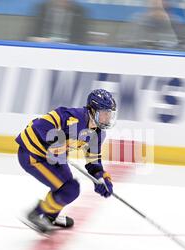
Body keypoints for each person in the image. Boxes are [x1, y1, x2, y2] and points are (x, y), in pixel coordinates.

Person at [16, 89, 117, 236]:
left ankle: (50, 217)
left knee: (71, 189)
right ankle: (37, 214)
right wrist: (54, 140)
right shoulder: (72, 117)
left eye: (110, 114)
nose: (108, 118)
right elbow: (38, 126)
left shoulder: (97, 134)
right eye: (104, 113)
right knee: (69, 188)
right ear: (92, 111)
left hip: (55, 158)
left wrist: (101, 178)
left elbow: (93, 161)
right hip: (33, 155)